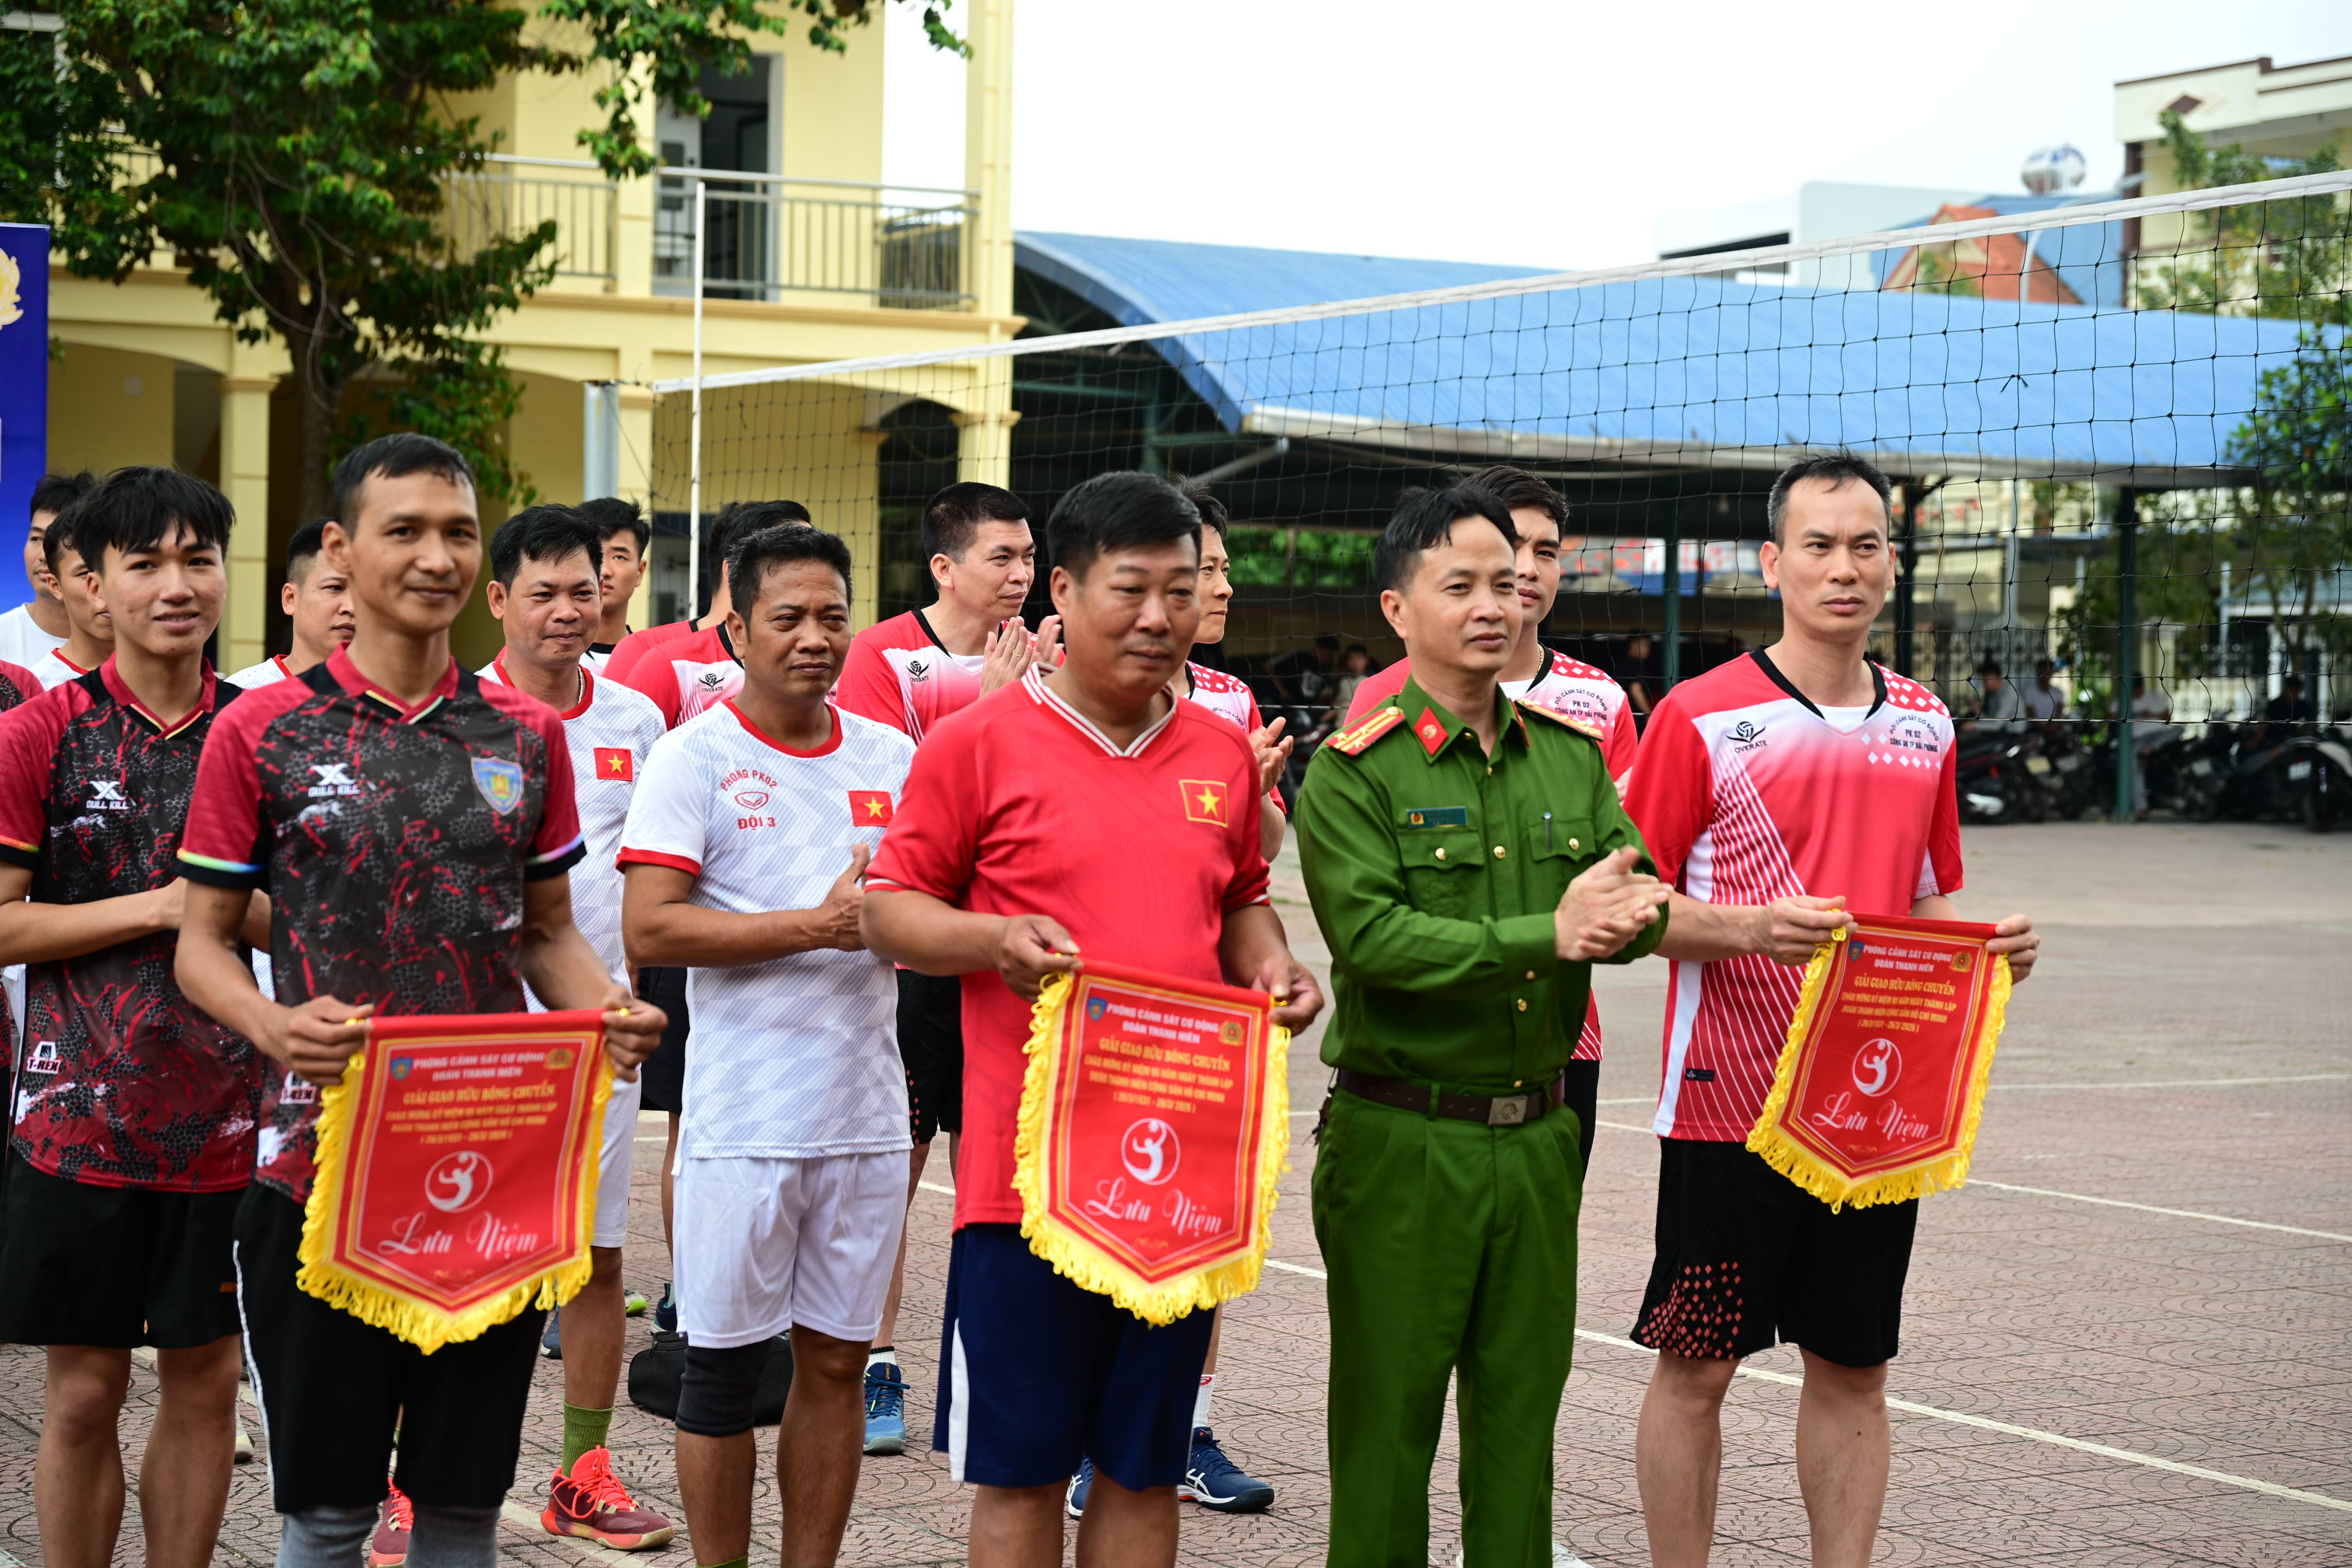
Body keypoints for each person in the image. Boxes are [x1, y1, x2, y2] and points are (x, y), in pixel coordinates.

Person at [173, 432, 665, 1568]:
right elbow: (198, 948)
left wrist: (606, 1010)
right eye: (405, 531)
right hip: (316, 1169)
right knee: (331, 1517)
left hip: (487, 1172)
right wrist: (271, 1026)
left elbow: (548, 934)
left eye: (456, 530)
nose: (436, 556)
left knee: (456, 1510)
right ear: (343, 551)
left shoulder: (529, 739)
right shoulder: (260, 729)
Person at [862, 471, 1322, 1568]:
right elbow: (889, 910)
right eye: (1131, 589)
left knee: (1142, 1472)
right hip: (1023, 1188)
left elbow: (1243, 899)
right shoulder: (976, 742)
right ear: (1059, 593)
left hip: (1175, 1181)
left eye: (1181, 588)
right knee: (1020, 1478)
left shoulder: (1217, 751)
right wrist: (992, 940)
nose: (1159, 616)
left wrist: (1275, 970)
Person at [1622, 453, 2039, 1568]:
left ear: (1892, 565)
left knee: (1856, 1368)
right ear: (1773, 563)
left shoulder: (1927, 721)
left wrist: (1988, 954)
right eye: (1819, 546)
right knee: (1698, 1365)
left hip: (1871, 1113)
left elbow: (1930, 900)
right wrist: (1748, 930)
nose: (1843, 568)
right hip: (1728, 1102)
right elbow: (1624, 909)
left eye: (1865, 545)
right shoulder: (1700, 718)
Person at [1293, 485, 1668, 1568]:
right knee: (1387, 1433)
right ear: (1398, 609)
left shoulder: (1568, 755)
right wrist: (1548, 933)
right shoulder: (1353, 771)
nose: (1495, 605)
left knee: (1520, 1429)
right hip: (1404, 1143)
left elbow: (1630, 900)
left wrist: (1649, 919)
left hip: (1541, 1139)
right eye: (1461, 585)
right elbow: (1373, 943)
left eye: (1507, 582)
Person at [618, 523, 914, 1568]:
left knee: (836, 1367)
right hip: (743, 1124)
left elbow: (930, 910)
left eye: (833, 616)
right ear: (736, 625)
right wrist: (819, 927)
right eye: (787, 618)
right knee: (723, 1376)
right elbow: (650, 929)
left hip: (866, 1119)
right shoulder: (691, 757)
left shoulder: (893, 757)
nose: (814, 638)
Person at [0, 468, 264, 1568]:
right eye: (145, 562)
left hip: (237, 1126)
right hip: (75, 1123)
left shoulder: (267, 734)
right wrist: (160, 906)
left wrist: (240, 907)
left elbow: (305, 912)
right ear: (91, 586)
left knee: (205, 1383)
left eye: (197, 559)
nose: (175, 584)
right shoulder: (39, 735)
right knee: (84, 1390)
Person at [1062, 481, 1286, 1518]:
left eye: (1207, 578)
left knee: (1192, 1251)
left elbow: (1247, 866)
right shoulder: (1019, 708)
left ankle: (1191, 1429)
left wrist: (1272, 963)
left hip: (1190, 1059)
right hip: (1067, 1069)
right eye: (1179, 575)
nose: (1201, 594)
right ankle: (1067, 1438)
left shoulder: (1229, 709)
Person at [831, 480, 1047, 1457]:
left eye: (1029, 557)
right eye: (1002, 557)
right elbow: (886, 807)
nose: (1020, 574)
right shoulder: (883, 655)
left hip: (1011, 945)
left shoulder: (1051, 652)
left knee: (993, 1160)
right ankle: (878, 1362)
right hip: (920, 942)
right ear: (946, 567)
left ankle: (983, 1350)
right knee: (895, 1159)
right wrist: (987, 715)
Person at [1342, 464, 1639, 1166]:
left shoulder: (1599, 702)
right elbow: (1369, 923)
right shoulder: (1381, 702)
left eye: (1547, 551)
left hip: (1564, 1040)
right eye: (1513, 550)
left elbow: (1633, 875)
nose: (1528, 570)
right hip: (1420, 1054)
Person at [481, 505, 675, 1552]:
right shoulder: (458, 714)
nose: (569, 610)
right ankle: (417, 1485)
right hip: (475, 1045)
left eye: (584, 590)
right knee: (465, 1261)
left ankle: (584, 1473)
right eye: (543, 592)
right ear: (498, 599)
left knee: (595, 1260)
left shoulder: (638, 719)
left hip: (602, 1034)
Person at [610, 495, 814, 1335]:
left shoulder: (818, 671)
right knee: (694, 1121)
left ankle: (761, 1298)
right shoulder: (662, 661)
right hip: (688, 932)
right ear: (738, 572)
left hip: (794, 943)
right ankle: (689, 1296)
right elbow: (621, 799)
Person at [604, 499, 812, 723]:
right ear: (735, 568)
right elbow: (617, 748)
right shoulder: (649, 653)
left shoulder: (815, 657)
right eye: (790, 559)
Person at [225, 520, 356, 689]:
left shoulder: (391, 699)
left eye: (362, 593)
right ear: (291, 598)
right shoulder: (240, 694)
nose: (351, 607)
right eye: (335, 588)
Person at [0, 471, 95, 670]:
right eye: (36, 539)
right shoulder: (4, 636)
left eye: (59, 541)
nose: (44, 555)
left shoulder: (121, 643)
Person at [26, 506, 116, 688]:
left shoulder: (179, 671)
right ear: (55, 586)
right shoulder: (38, 690)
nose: (104, 589)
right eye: (85, 574)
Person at [579, 495, 650, 670]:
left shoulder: (652, 661)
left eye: (619, 557)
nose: (604, 571)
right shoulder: (544, 657)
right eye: (594, 555)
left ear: (640, 572)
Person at [1965, 658, 2025, 735]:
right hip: (1999, 734)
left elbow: (1996, 725)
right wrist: (1977, 710)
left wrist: (1973, 725)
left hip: (2012, 736)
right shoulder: (1993, 695)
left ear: (1995, 677)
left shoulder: (2008, 695)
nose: (1984, 684)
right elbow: (1990, 721)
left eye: (1985, 680)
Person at [2254, 673, 2313, 749]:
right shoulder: (2275, 704)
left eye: (2297, 691)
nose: (2295, 694)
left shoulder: (2303, 705)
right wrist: (2255, 740)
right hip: (2273, 742)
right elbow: (2265, 723)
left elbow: (2310, 722)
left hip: (2293, 743)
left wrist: (2301, 732)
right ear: (2286, 691)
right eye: (2292, 691)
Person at [2020, 656, 2066, 729]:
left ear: (2052, 673)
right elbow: (2030, 714)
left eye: (2047, 672)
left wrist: (2052, 727)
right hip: (2033, 729)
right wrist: (2043, 729)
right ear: (2037, 672)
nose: (2044, 675)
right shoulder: (2028, 691)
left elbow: (2059, 713)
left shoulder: (2058, 692)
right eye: (2042, 671)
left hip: (2053, 729)